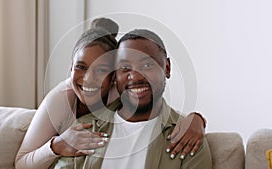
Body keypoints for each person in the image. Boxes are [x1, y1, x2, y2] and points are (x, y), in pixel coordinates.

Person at [15, 28, 206, 169]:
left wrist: (197, 119)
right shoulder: (80, 127)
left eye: (147, 64)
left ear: (167, 68)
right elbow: (22, 163)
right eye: (125, 68)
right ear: (117, 76)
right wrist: (57, 145)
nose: (136, 76)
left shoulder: (187, 137)